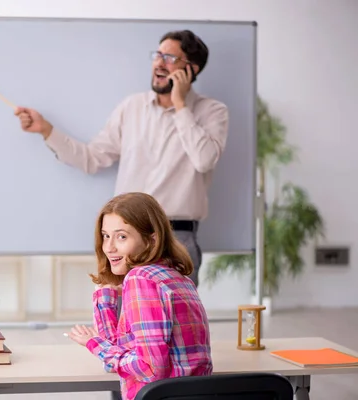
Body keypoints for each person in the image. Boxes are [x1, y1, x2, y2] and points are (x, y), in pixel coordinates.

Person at [15, 30, 229, 287]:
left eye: (170, 57)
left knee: (174, 321)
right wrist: (46, 130)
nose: (159, 63)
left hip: (176, 237)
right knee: (118, 317)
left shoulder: (213, 111)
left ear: (191, 70)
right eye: (158, 55)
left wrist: (180, 106)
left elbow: (204, 160)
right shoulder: (132, 108)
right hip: (126, 236)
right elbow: (92, 158)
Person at [66, 192, 212, 400]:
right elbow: (115, 363)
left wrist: (93, 342)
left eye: (121, 236)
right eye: (106, 235)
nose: (109, 247)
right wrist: (105, 296)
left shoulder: (141, 278)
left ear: (151, 239)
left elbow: (150, 369)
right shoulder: (180, 279)